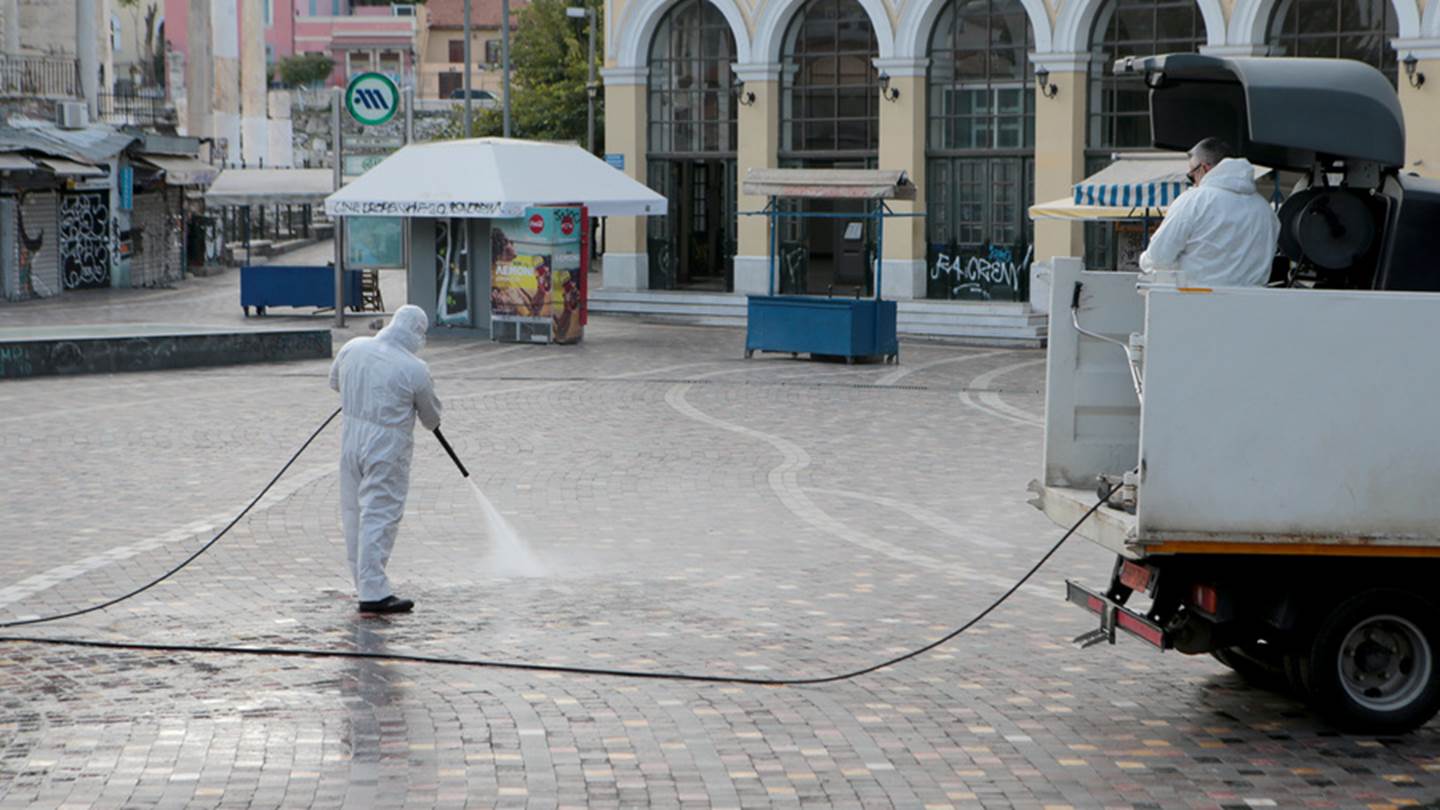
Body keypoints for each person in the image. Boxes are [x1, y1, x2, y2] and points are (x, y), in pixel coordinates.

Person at [329, 305, 442, 615]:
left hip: (351, 442)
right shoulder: (415, 368)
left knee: (353, 512)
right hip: (386, 449)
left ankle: (364, 583)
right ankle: (374, 593)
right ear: (417, 332)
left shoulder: (353, 347)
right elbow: (431, 417)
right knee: (379, 514)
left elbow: (335, 382)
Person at [1139, 137, 1280, 287]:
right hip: (1254, 304)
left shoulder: (1193, 201)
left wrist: (1146, 260)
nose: (1193, 181)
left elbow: (1157, 258)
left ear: (1204, 168)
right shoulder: (1265, 210)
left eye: (1191, 175)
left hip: (1197, 302)